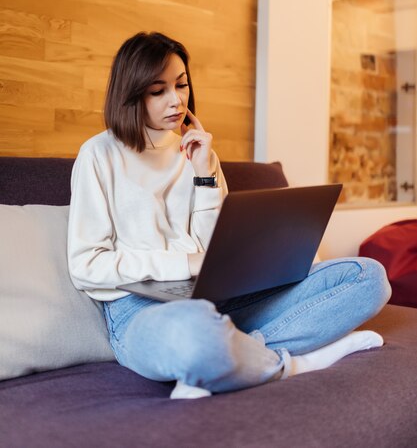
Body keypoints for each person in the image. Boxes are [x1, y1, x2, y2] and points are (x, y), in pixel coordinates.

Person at [67, 32, 391, 399]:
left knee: (367, 277)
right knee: (195, 334)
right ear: (131, 93)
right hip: (140, 308)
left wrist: (204, 174)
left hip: (225, 296)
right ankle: (292, 363)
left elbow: (217, 248)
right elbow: (87, 265)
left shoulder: (198, 152)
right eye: (158, 91)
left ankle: (232, 355)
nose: (176, 100)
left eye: (182, 84)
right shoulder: (99, 155)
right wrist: (186, 263)